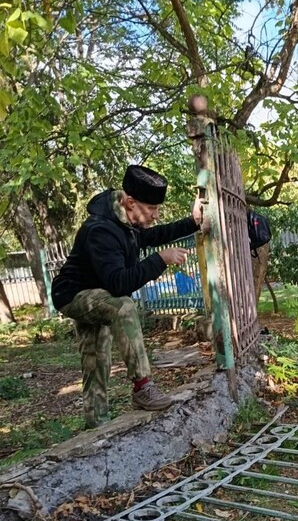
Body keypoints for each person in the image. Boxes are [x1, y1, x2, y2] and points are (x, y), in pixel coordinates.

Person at [52, 164, 206, 429]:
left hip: (99, 293)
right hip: (73, 294)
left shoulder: (126, 222)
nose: (156, 216)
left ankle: (96, 427)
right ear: (130, 202)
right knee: (123, 307)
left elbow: (154, 235)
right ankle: (142, 387)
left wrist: (192, 222)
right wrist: (160, 259)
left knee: (96, 360)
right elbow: (119, 283)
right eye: (152, 209)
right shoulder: (102, 230)